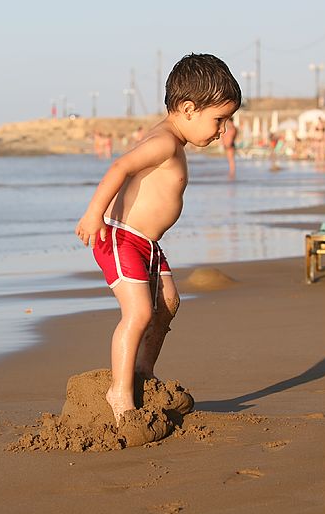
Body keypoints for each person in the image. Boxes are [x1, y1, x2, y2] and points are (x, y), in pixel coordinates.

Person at [74, 53, 241, 425]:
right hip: (121, 238)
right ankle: (119, 392)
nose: (223, 130)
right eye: (219, 120)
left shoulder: (173, 140)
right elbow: (120, 166)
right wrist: (94, 214)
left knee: (169, 301)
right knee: (139, 312)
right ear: (187, 108)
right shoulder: (164, 142)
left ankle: (143, 373)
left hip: (146, 244)